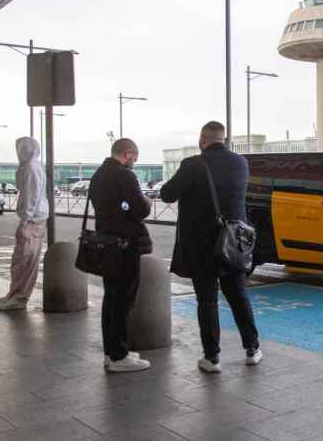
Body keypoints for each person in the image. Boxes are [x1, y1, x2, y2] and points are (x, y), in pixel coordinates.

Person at [161, 121, 260, 373]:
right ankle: (252, 349)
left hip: (201, 245)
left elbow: (167, 194)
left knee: (207, 302)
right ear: (224, 139)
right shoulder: (241, 163)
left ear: (202, 139)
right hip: (233, 243)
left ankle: (212, 358)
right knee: (238, 296)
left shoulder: (192, 164)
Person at [91, 138, 153, 373]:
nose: (134, 164)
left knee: (111, 298)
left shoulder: (98, 174)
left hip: (105, 243)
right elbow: (140, 208)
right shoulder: (124, 175)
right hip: (125, 245)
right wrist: (145, 201)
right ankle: (119, 355)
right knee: (123, 300)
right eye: (134, 159)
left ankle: (111, 352)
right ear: (127, 154)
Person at [0, 138, 48, 311]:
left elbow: (31, 195)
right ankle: (14, 295)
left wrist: (25, 219)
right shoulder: (30, 166)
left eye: (21, 148)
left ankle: (19, 298)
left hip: (32, 220)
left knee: (24, 261)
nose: (18, 151)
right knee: (22, 261)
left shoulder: (31, 168)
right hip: (33, 218)